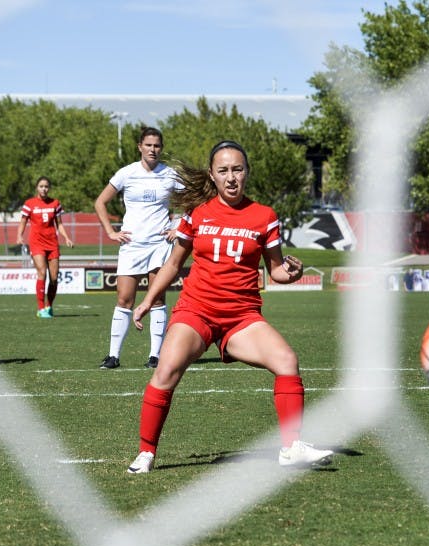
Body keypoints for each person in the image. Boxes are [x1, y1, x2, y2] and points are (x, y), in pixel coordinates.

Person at [125, 139, 333, 473]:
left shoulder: (264, 216)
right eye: (223, 170)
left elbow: (276, 270)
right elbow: (173, 264)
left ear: (247, 172)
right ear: (213, 174)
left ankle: (291, 447)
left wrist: (292, 273)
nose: (231, 177)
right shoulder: (197, 214)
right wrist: (148, 300)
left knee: (286, 360)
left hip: (241, 317)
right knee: (166, 371)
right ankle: (146, 453)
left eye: (237, 169)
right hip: (197, 311)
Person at [94, 127, 180, 369]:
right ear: (140, 146)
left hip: (160, 245)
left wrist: (179, 226)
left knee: (158, 298)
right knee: (124, 299)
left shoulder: (170, 174)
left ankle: (155, 356)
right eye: (149, 145)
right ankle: (113, 356)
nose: (153, 149)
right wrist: (111, 232)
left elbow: (195, 200)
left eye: (157, 146)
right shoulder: (126, 173)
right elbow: (100, 202)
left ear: (161, 148)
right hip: (132, 246)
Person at [16, 176, 73, 318]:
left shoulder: (55, 203)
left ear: (49, 188)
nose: (44, 189)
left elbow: (59, 224)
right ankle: (40, 308)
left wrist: (66, 237)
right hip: (37, 243)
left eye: (46, 186)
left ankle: (49, 306)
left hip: (52, 243)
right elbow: (23, 221)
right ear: (37, 187)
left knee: (54, 277)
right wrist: (19, 235)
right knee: (42, 272)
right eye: (41, 186)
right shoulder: (29, 204)